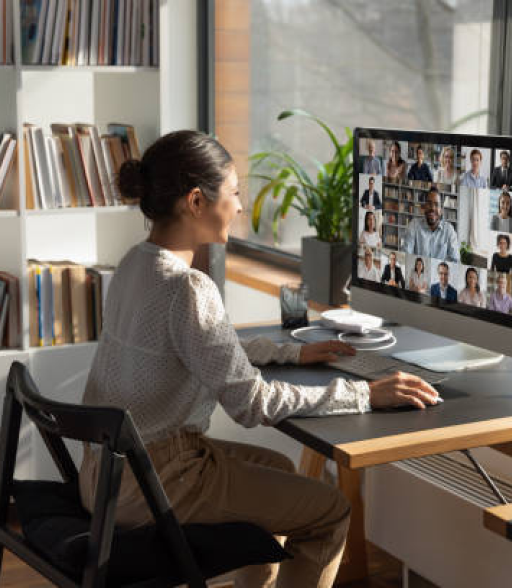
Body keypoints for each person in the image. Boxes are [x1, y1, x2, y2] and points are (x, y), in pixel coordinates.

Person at [78, 131, 440, 588]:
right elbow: (252, 404)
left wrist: (293, 352)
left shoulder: (135, 263)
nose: (240, 207)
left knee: (280, 470)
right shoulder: (188, 288)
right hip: (158, 479)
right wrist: (364, 393)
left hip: (107, 474)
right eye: (233, 193)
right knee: (329, 510)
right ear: (195, 201)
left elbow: (200, 347)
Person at [403, 187, 459, 261]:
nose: (432, 208)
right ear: (424, 206)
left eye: (436, 204)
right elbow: (406, 255)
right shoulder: (414, 226)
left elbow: (455, 260)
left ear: (441, 210)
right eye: (429, 203)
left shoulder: (449, 230)